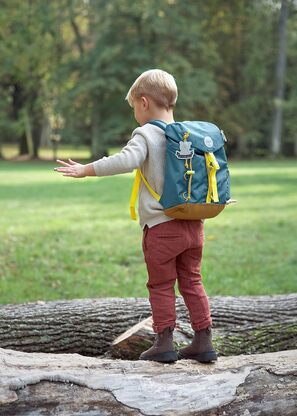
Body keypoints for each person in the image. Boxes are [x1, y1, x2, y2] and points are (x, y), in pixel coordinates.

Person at [54, 68, 217, 364]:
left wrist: (85, 169)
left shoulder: (147, 133)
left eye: (133, 109)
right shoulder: (190, 135)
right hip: (194, 224)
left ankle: (164, 342)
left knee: (161, 285)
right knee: (192, 281)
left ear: (143, 102)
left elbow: (126, 160)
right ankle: (203, 340)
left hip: (162, 227)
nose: (135, 115)